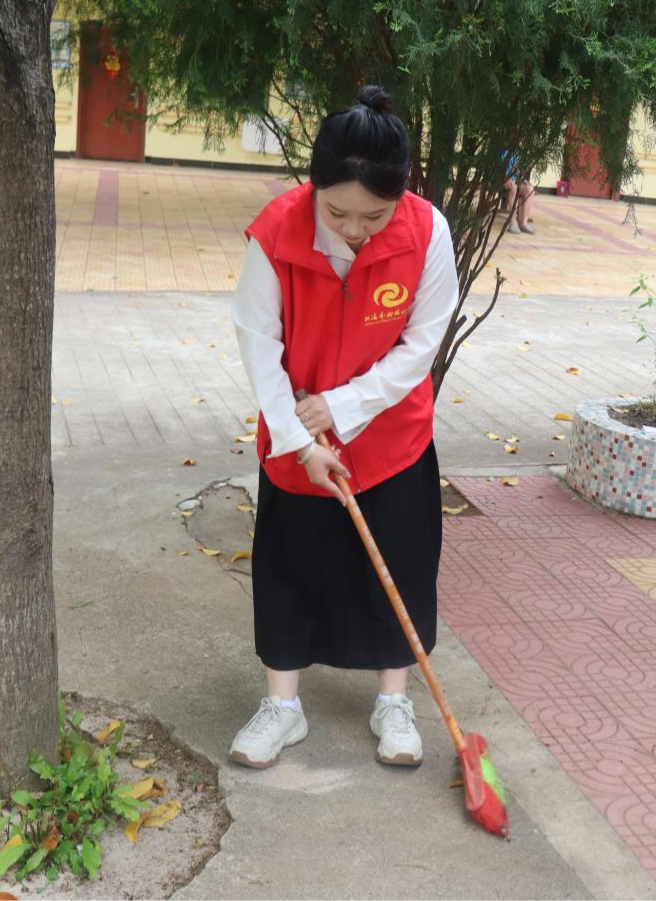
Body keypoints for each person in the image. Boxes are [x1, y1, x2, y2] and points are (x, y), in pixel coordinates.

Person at [230, 85, 459, 770]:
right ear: (314, 186)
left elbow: (421, 343)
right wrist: (302, 442)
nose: (356, 229)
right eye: (337, 212)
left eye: (374, 216)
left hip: (391, 436)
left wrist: (344, 406)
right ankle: (283, 707)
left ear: (401, 196)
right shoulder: (275, 233)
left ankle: (394, 701)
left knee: (399, 566)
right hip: (296, 434)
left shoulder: (427, 232)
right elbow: (258, 345)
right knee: (289, 565)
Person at [503, 151, 535, 234]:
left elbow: (516, 169)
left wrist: (521, 179)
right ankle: (512, 223)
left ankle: (523, 223)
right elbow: (498, 167)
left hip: (513, 180)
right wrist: (506, 177)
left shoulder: (516, 151)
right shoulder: (500, 148)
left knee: (529, 189)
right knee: (513, 187)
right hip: (500, 180)